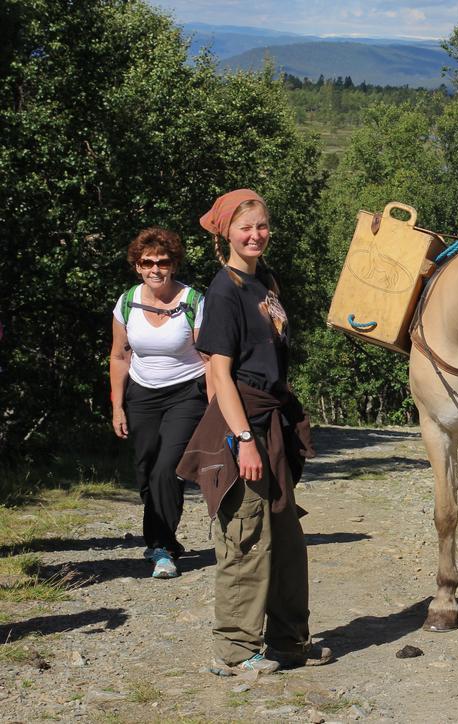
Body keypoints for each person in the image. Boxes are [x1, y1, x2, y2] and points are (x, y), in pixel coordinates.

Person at [176, 189, 331, 676]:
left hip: (271, 420)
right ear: (224, 233)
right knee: (244, 536)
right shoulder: (223, 292)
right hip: (240, 423)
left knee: (284, 534)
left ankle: (289, 641)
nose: (256, 235)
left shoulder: (264, 282)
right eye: (245, 227)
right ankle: (237, 650)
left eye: (262, 225)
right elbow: (218, 374)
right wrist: (243, 439)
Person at [109, 227, 210, 579]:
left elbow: (210, 359)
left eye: (162, 262)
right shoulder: (126, 302)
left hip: (186, 393)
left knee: (168, 467)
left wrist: (216, 408)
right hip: (142, 394)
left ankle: (163, 547)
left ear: (174, 263)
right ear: (137, 266)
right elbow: (120, 356)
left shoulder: (193, 301)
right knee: (146, 468)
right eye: (146, 262)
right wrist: (117, 405)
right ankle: (160, 539)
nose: (155, 269)